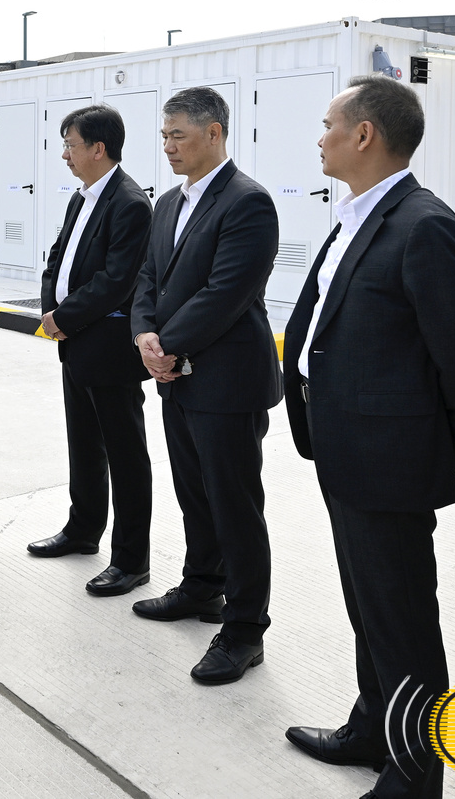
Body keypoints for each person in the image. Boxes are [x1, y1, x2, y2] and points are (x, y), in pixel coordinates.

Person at [281, 76, 455, 799]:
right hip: (344, 446)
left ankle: (414, 774)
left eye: (328, 124)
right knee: (369, 606)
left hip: (389, 458)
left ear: (364, 134)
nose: (320, 138)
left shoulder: (422, 223)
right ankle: (373, 726)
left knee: (402, 621)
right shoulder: (357, 215)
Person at [129, 86, 282, 684]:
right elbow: (148, 275)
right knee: (194, 493)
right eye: (164, 136)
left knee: (235, 506)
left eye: (178, 136)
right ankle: (202, 587)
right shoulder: (169, 201)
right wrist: (145, 333)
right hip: (176, 377)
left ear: (214, 133)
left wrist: (166, 345)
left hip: (226, 381)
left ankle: (244, 630)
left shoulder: (248, 202)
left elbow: (227, 292)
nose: (168, 146)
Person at [28, 105, 155, 598]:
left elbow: (117, 280)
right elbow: (57, 258)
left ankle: (131, 560)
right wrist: (49, 308)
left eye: (71, 145)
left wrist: (64, 317)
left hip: (108, 349)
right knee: (83, 445)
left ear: (98, 148)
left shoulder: (129, 203)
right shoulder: (82, 198)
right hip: (76, 343)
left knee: (125, 455)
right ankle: (83, 529)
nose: (65, 155)